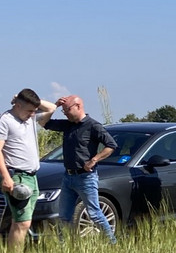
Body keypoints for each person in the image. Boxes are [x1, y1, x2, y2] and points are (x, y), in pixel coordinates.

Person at [41, 95, 118, 243]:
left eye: (67, 110)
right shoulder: (68, 125)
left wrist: (94, 160)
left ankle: (112, 243)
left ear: (78, 106)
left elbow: (111, 145)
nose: (66, 113)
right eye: (63, 111)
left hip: (86, 177)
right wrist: (54, 106)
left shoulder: (93, 126)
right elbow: (43, 122)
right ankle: (64, 248)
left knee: (94, 213)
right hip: (68, 177)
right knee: (64, 216)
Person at [0, 88, 56, 251]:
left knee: (23, 221)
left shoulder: (30, 118)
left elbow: (51, 108)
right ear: (17, 106)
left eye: (35, 111)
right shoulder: (4, 120)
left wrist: (33, 103)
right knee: (22, 222)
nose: (33, 114)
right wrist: (6, 177)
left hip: (32, 176)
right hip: (17, 176)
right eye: (29, 110)